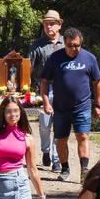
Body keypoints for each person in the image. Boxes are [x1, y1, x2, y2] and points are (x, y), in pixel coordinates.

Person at [40, 27, 100, 182]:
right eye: (70, 45)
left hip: (82, 106)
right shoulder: (55, 58)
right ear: (65, 44)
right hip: (61, 108)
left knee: (83, 136)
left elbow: (97, 82)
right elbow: (44, 81)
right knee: (61, 139)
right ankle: (65, 168)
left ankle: (84, 170)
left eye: (77, 45)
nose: (74, 48)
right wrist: (46, 102)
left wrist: (99, 105)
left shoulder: (89, 58)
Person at [29, 10, 64, 173]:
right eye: (46, 23)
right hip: (43, 88)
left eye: (52, 23)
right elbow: (28, 67)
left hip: (63, 89)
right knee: (44, 124)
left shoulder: (67, 43)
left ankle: (56, 159)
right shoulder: (37, 45)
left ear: (59, 25)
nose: (49, 26)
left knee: (59, 125)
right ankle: (45, 151)